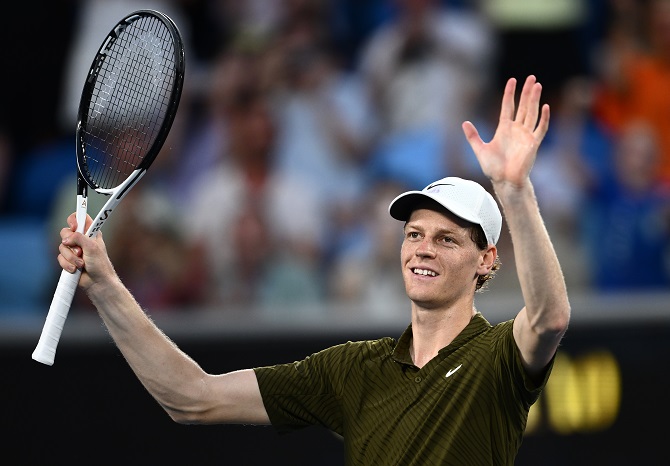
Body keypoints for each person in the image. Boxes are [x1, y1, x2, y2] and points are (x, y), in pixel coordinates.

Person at [56, 75, 570, 465]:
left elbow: (549, 318)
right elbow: (191, 397)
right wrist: (105, 284)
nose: (423, 250)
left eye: (446, 239)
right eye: (414, 234)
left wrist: (514, 190)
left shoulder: (496, 356)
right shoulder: (353, 370)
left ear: (486, 260)